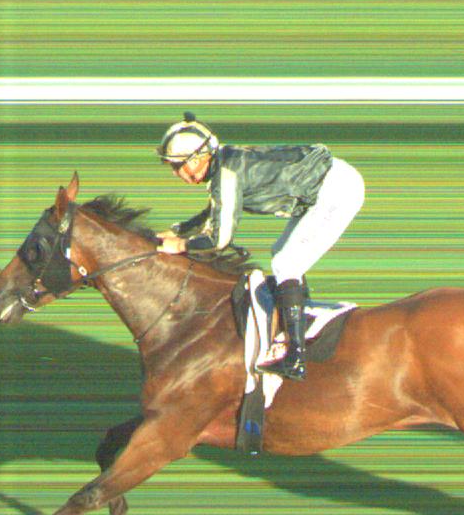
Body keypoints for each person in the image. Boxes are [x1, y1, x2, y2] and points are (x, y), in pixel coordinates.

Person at [151, 115, 365, 377]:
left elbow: (219, 241)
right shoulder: (224, 164)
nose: (176, 173)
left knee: (286, 263)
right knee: (281, 253)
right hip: (329, 184)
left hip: (337, 190)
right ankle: (298, 325)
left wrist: (181, 245)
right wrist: (177, 230)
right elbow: (216, 211)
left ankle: (296, 357)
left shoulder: (226, 173)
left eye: (176, 166)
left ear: (195, 160)